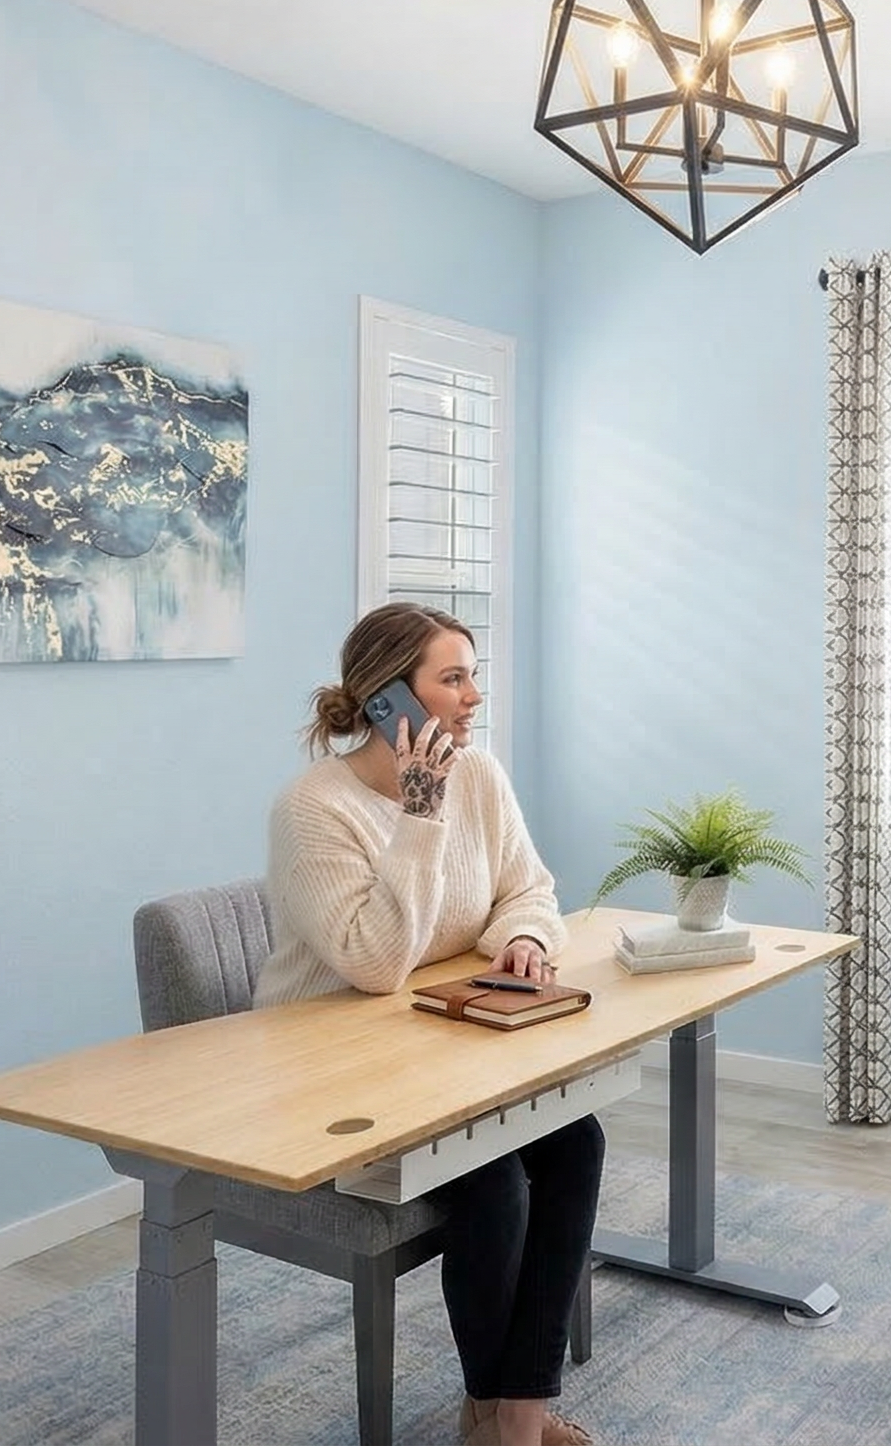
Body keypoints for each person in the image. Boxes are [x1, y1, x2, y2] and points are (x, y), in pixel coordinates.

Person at [260, 601, 605, 1446]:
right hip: (331, 1069)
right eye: (452, 678)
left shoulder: (479, 777)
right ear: (388, 702)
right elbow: (376, 966)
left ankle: (511, 1412)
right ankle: (502, 1423)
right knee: (490, 1180)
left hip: (436, 1049)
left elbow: (529, 887)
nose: (473, 696)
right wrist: (420, 809)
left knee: (577, 1141)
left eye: (472, 673)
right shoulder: (315, 810)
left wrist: (523, 935)